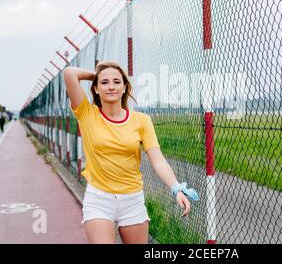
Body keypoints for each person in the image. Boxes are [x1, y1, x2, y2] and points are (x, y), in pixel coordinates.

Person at [63, 61, 198, 244]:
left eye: (117, 82)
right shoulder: (87, 113)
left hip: (132, 200)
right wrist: (97, 75)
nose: (111, 87)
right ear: (95, 89)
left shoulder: (141, 121)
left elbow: (157, 160)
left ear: (125, 87)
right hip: (99, 199)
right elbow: (70, 73)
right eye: (104, 83)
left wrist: (176, 188)